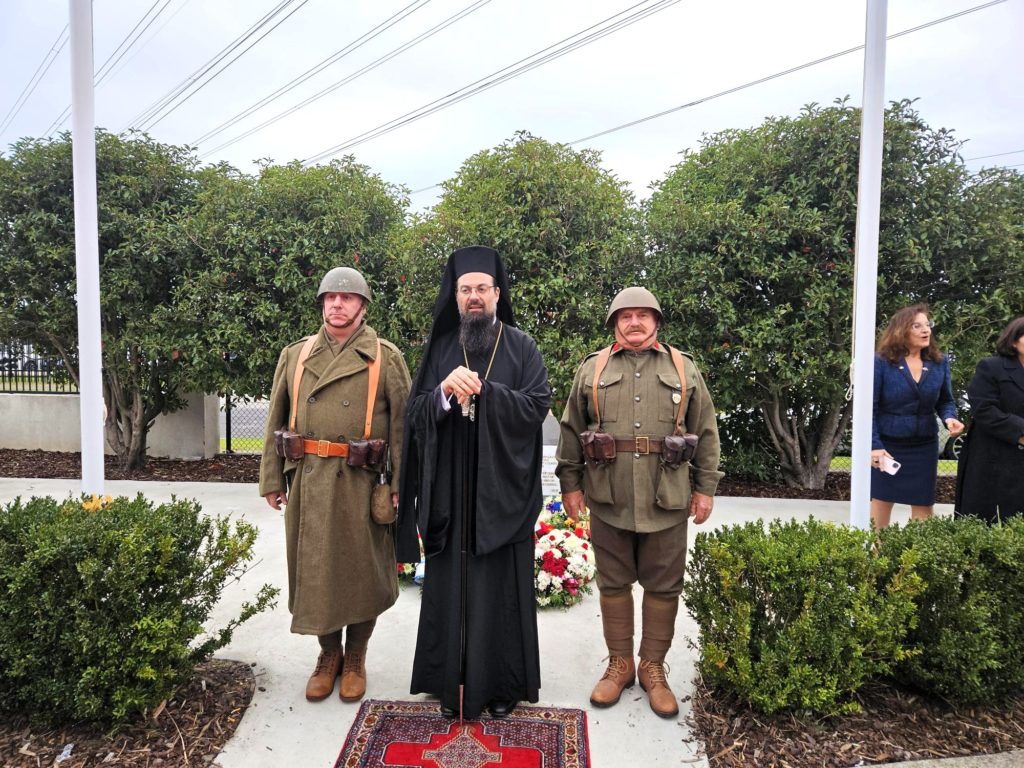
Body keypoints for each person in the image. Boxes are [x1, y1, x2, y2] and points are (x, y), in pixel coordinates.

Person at [397, 245, 551, 720]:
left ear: (497, 293)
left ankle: (502, 685)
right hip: (450, 492)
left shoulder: (521, 345)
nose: (474, 297)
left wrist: (490, 393)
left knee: (500, 588)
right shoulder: (442, 348)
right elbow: (415, 412)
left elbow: (538, 404)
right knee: (448, 585)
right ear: (456, 296)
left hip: (501, 493)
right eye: (466, 290)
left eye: (482, 288)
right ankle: (447, 682)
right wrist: (444, 392)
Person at [555, 287, 722, 719]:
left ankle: (652, 667)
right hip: (609, 496)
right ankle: (619, 665)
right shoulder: (593, 369)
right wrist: (570, 485)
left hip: (665, 496)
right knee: (612, 584)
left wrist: (705, 488)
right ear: (614, 323)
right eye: (625, 316)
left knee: (664, 586)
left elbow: (705, 432)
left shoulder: (683, 369)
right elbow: (572, 430)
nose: (634, 322)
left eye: (643, 315)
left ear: (657, 322)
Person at [259, 267, 411, 703]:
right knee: (316, 570)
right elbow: (275, 419)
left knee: (361, 571)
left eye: (346, 299)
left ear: (362, 307)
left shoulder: (385, 356)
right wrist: (272, 477)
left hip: (361, 483)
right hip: (308, 479)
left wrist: (400, 484)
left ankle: (357, 656)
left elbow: (403, 430)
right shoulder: (297, 355)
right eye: (330, 298)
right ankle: (328, 655)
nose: (337, 305)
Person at [871, 304, 964, 529]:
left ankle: (918, 558)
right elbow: (869, 408)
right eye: (917, 326)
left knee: (923, 503)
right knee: (882, 500)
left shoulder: (939, 363)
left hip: (924, 444)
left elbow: (945, 401)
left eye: (927, 325)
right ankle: (875, 554)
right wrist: (874, 445)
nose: (926, 330)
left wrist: (949, 418)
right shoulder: (881, 362)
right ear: (901, 330)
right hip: (888, 445)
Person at [955, 316, 1024, 524]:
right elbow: (984, 409)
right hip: (992, 462)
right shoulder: (991, 367)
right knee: (988, 523)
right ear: (1013, 341)